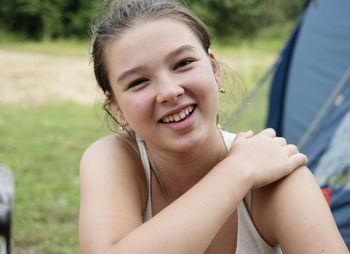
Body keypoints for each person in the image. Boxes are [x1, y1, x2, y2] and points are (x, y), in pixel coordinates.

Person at [79, 0, 348, 253]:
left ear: (214, 69)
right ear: (116, 107)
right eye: (138, 82)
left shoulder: (277, 178)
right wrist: (237, 171)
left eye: (183, 63)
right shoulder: (114, 158)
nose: (170, 92)